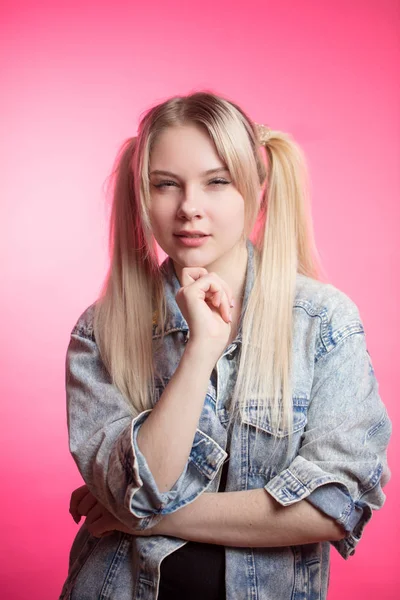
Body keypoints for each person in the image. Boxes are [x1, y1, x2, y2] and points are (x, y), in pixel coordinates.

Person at [58, 91, 392, 600]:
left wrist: (141, 517)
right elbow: (143, 485)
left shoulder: (324, 323)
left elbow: (333, 507)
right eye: (165, 185)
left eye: (217, 182)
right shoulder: (101, 330)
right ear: (143, 197)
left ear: (257, 189)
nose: (190, 207)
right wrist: (200, 352)